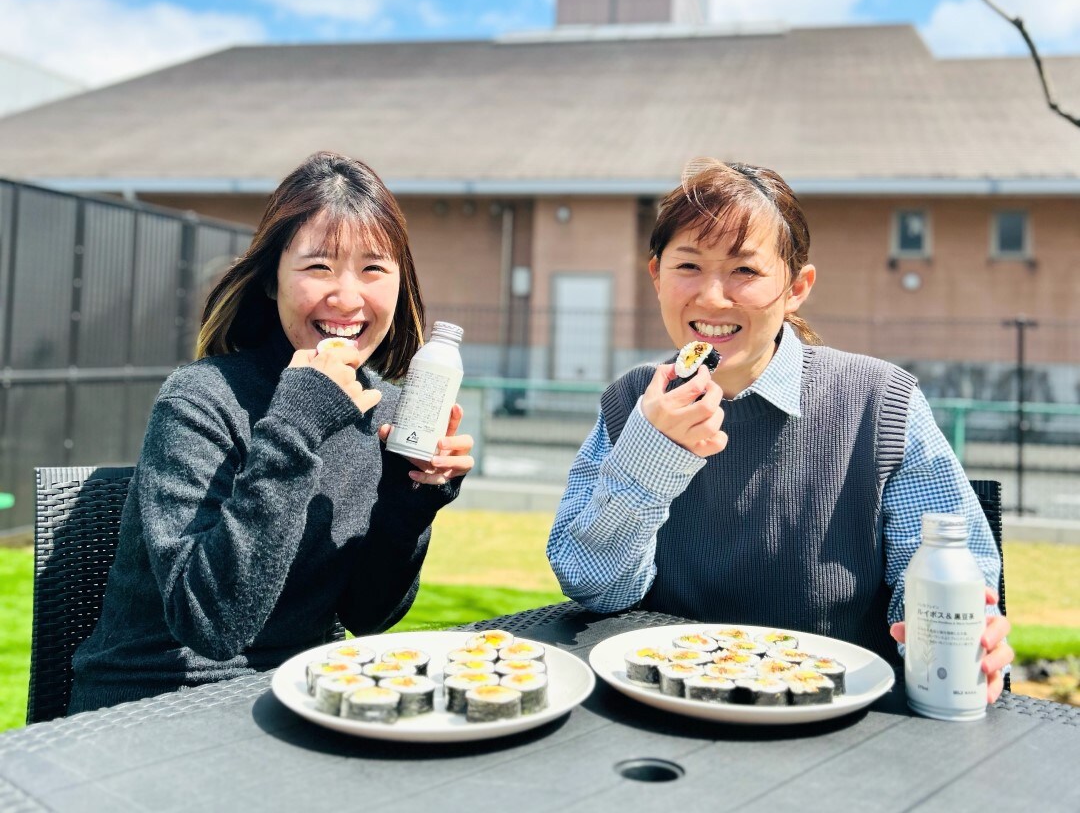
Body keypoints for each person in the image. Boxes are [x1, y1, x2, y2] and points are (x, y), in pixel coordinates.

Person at [547, 157, 1012, 701]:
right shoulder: (633, 402)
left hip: (833, 716)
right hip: (664, 705)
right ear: (656, 276)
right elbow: (593, 585)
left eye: (745, 270)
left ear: (796, 287)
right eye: (688, 266)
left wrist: (954, 632)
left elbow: (943, 571)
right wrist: (648, 456)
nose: (713, 297)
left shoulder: (880, 402)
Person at [69, 152, 474, 713]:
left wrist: (410, 500)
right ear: (270, 282)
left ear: (400, 285)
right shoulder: (201, 398)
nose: (348, 298)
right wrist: (297, 425)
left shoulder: (390, 410)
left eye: (373, 269)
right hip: (154, 700)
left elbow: (368, 616)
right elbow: (210, 624)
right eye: (318, 267)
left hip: (303, 691)